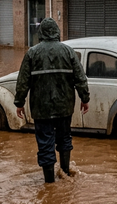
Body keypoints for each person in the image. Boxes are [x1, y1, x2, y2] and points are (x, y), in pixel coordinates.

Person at [14, 18, 89, 183]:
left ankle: (49, 183)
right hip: (65, 107)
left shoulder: (32, 53)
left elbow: (23, 82)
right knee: (64, 138)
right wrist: (85, 98)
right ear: (57, 32)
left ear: (41, 33)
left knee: (45, 143)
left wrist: (19, 103)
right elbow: (80, 78)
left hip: (42, 109)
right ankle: (65, 175)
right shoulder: (68, 52)